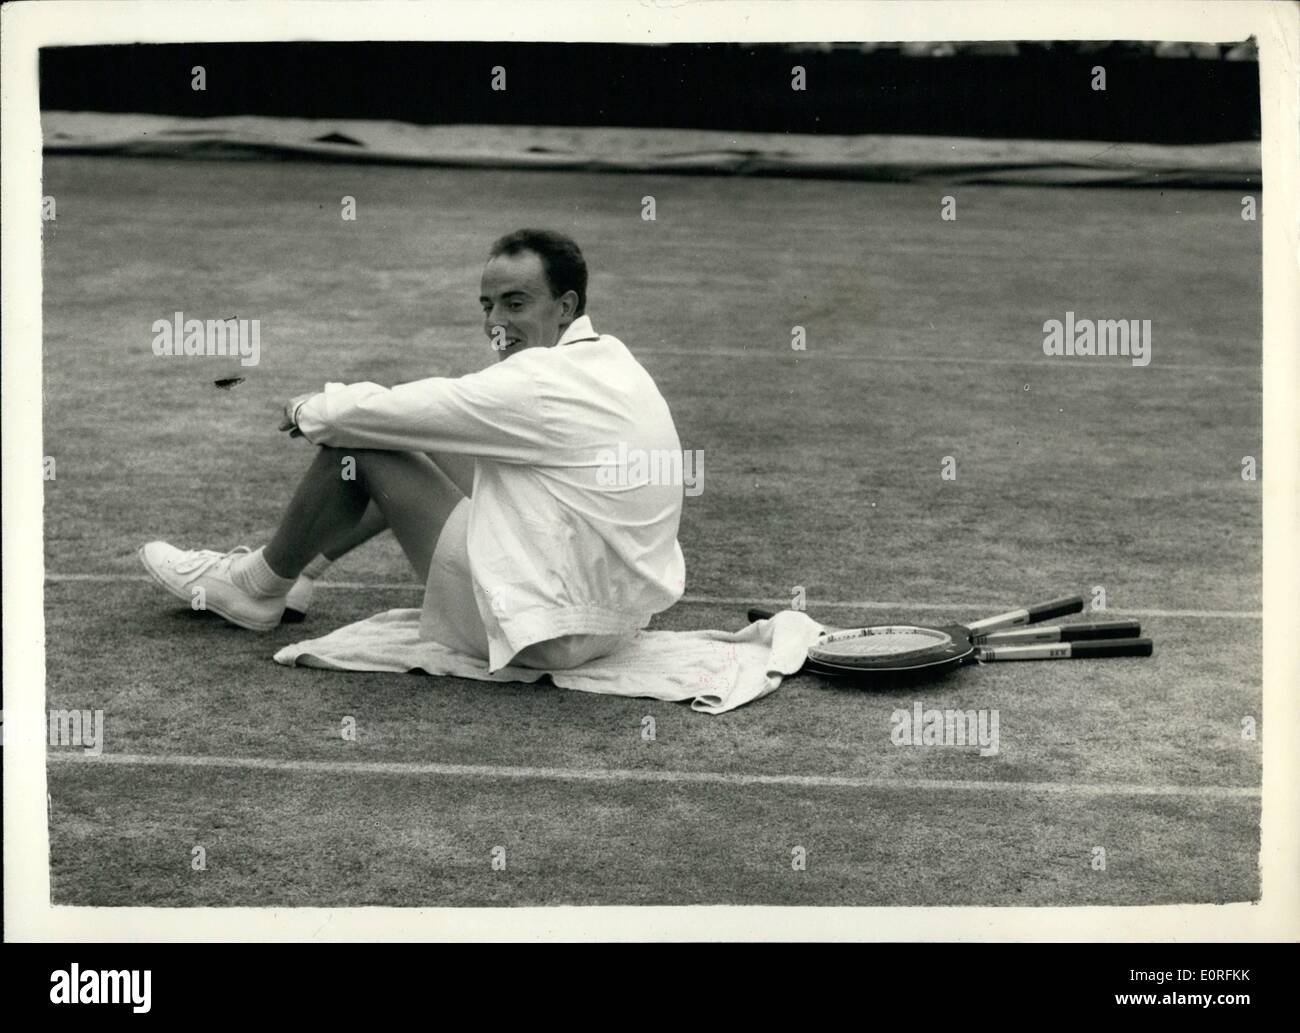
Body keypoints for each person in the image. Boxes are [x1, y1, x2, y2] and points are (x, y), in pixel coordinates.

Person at [140, 229, 686, 672]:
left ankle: (257, 587)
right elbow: (438, 419)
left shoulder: (541, 381)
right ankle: (303, 573)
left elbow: (390, 413)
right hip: (616, 624)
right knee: (418, 434)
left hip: (543, 634)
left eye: (515, 303)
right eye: (487, 305)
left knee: (362, 444)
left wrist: (313, 408)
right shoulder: (612, 360)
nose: (496, 323)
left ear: (565, 306)